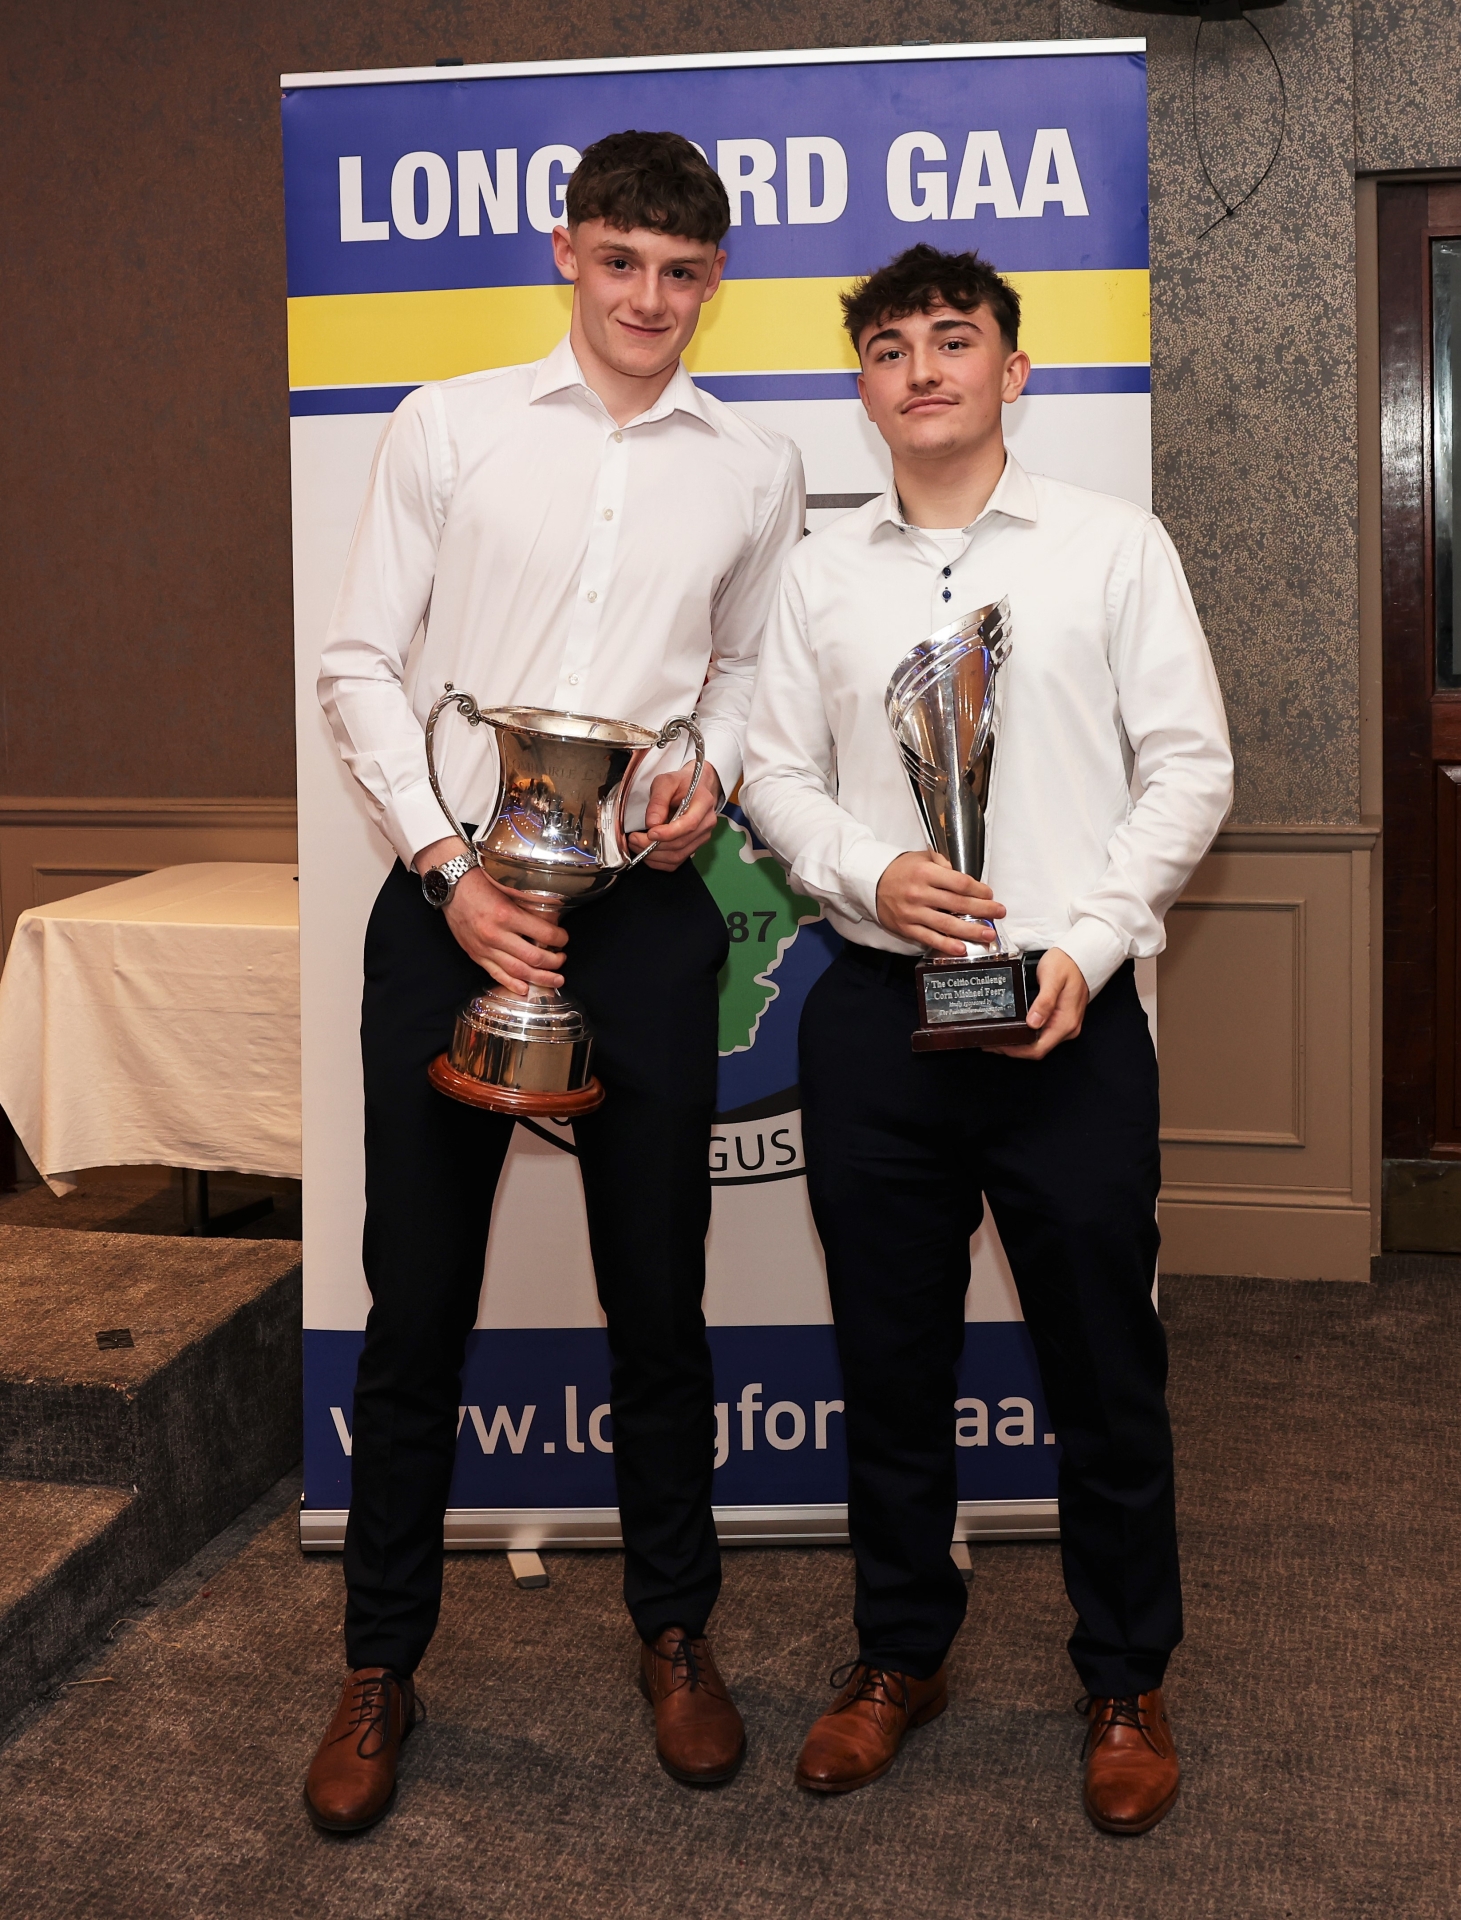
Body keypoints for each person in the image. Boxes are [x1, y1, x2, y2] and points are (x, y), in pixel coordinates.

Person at [306, 130, 804, 1831]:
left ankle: (675, 1633)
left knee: (657, 1301)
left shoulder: (753, 466)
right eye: (620, 261)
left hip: (644, 914)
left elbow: (743, 669)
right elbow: (358, 663)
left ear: (713, 282)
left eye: (682, 273)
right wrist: (446, 873)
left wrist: (707, 773)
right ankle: (380, 1663)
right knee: (415, 1305)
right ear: (565, 252)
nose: (648, 299)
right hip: (447, 898)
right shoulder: (448, 426)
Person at [740, 244, 1231, 1832]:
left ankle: (1124, 1677)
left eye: (952, 340)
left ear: (1011, 370)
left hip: (1061, 1016)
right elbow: (768, 769)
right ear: (863, 387)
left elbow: (1189, 767)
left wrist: (1088, 944)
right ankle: (899, 1655)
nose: (922, 369)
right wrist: (860, 867)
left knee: (1104, 1365)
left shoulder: (1109, 547)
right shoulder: (817, 575)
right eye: (889, 349)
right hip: (876, 1014)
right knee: (889, 1362)